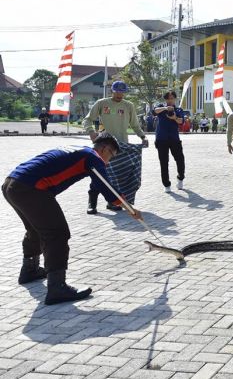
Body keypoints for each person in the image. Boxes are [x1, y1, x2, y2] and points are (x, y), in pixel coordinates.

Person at [2, 133, 143, 305]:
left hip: (11, 184)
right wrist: (129, 208)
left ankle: (29, 270)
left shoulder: (80, 151)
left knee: (36, 229)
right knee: (57, 233)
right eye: (112, 156)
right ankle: (57, 287)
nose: (109, 161)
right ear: (105, 149)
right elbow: (106, 188)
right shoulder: (93, 157)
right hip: (31, 189)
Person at [83, 81, 148, 214]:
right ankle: (92, 202)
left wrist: (143, 137)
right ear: (112, 91)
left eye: (122, 92)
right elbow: (87, 119)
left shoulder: (128, 106)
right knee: (98, 174)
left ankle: (112, 202)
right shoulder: (102, 103)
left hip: (120, 146)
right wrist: (91, 131)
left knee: (117, 175)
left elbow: (135, 125)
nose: (120, 94)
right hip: (103, 145)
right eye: (117, 91)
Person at [153, 91, 186, 193]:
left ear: (175, 99)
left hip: (174, 139)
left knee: (180, 159)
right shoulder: (161, 107)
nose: (170, 100)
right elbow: (154, 111)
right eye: (168, 98)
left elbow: (181, 121)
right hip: (161, 139)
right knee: (164, 162)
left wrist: (174, 117)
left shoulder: (178, 110)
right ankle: (166, 184)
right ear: (165, 99)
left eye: (172, 98)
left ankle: (180, 178)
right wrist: (165, 108)